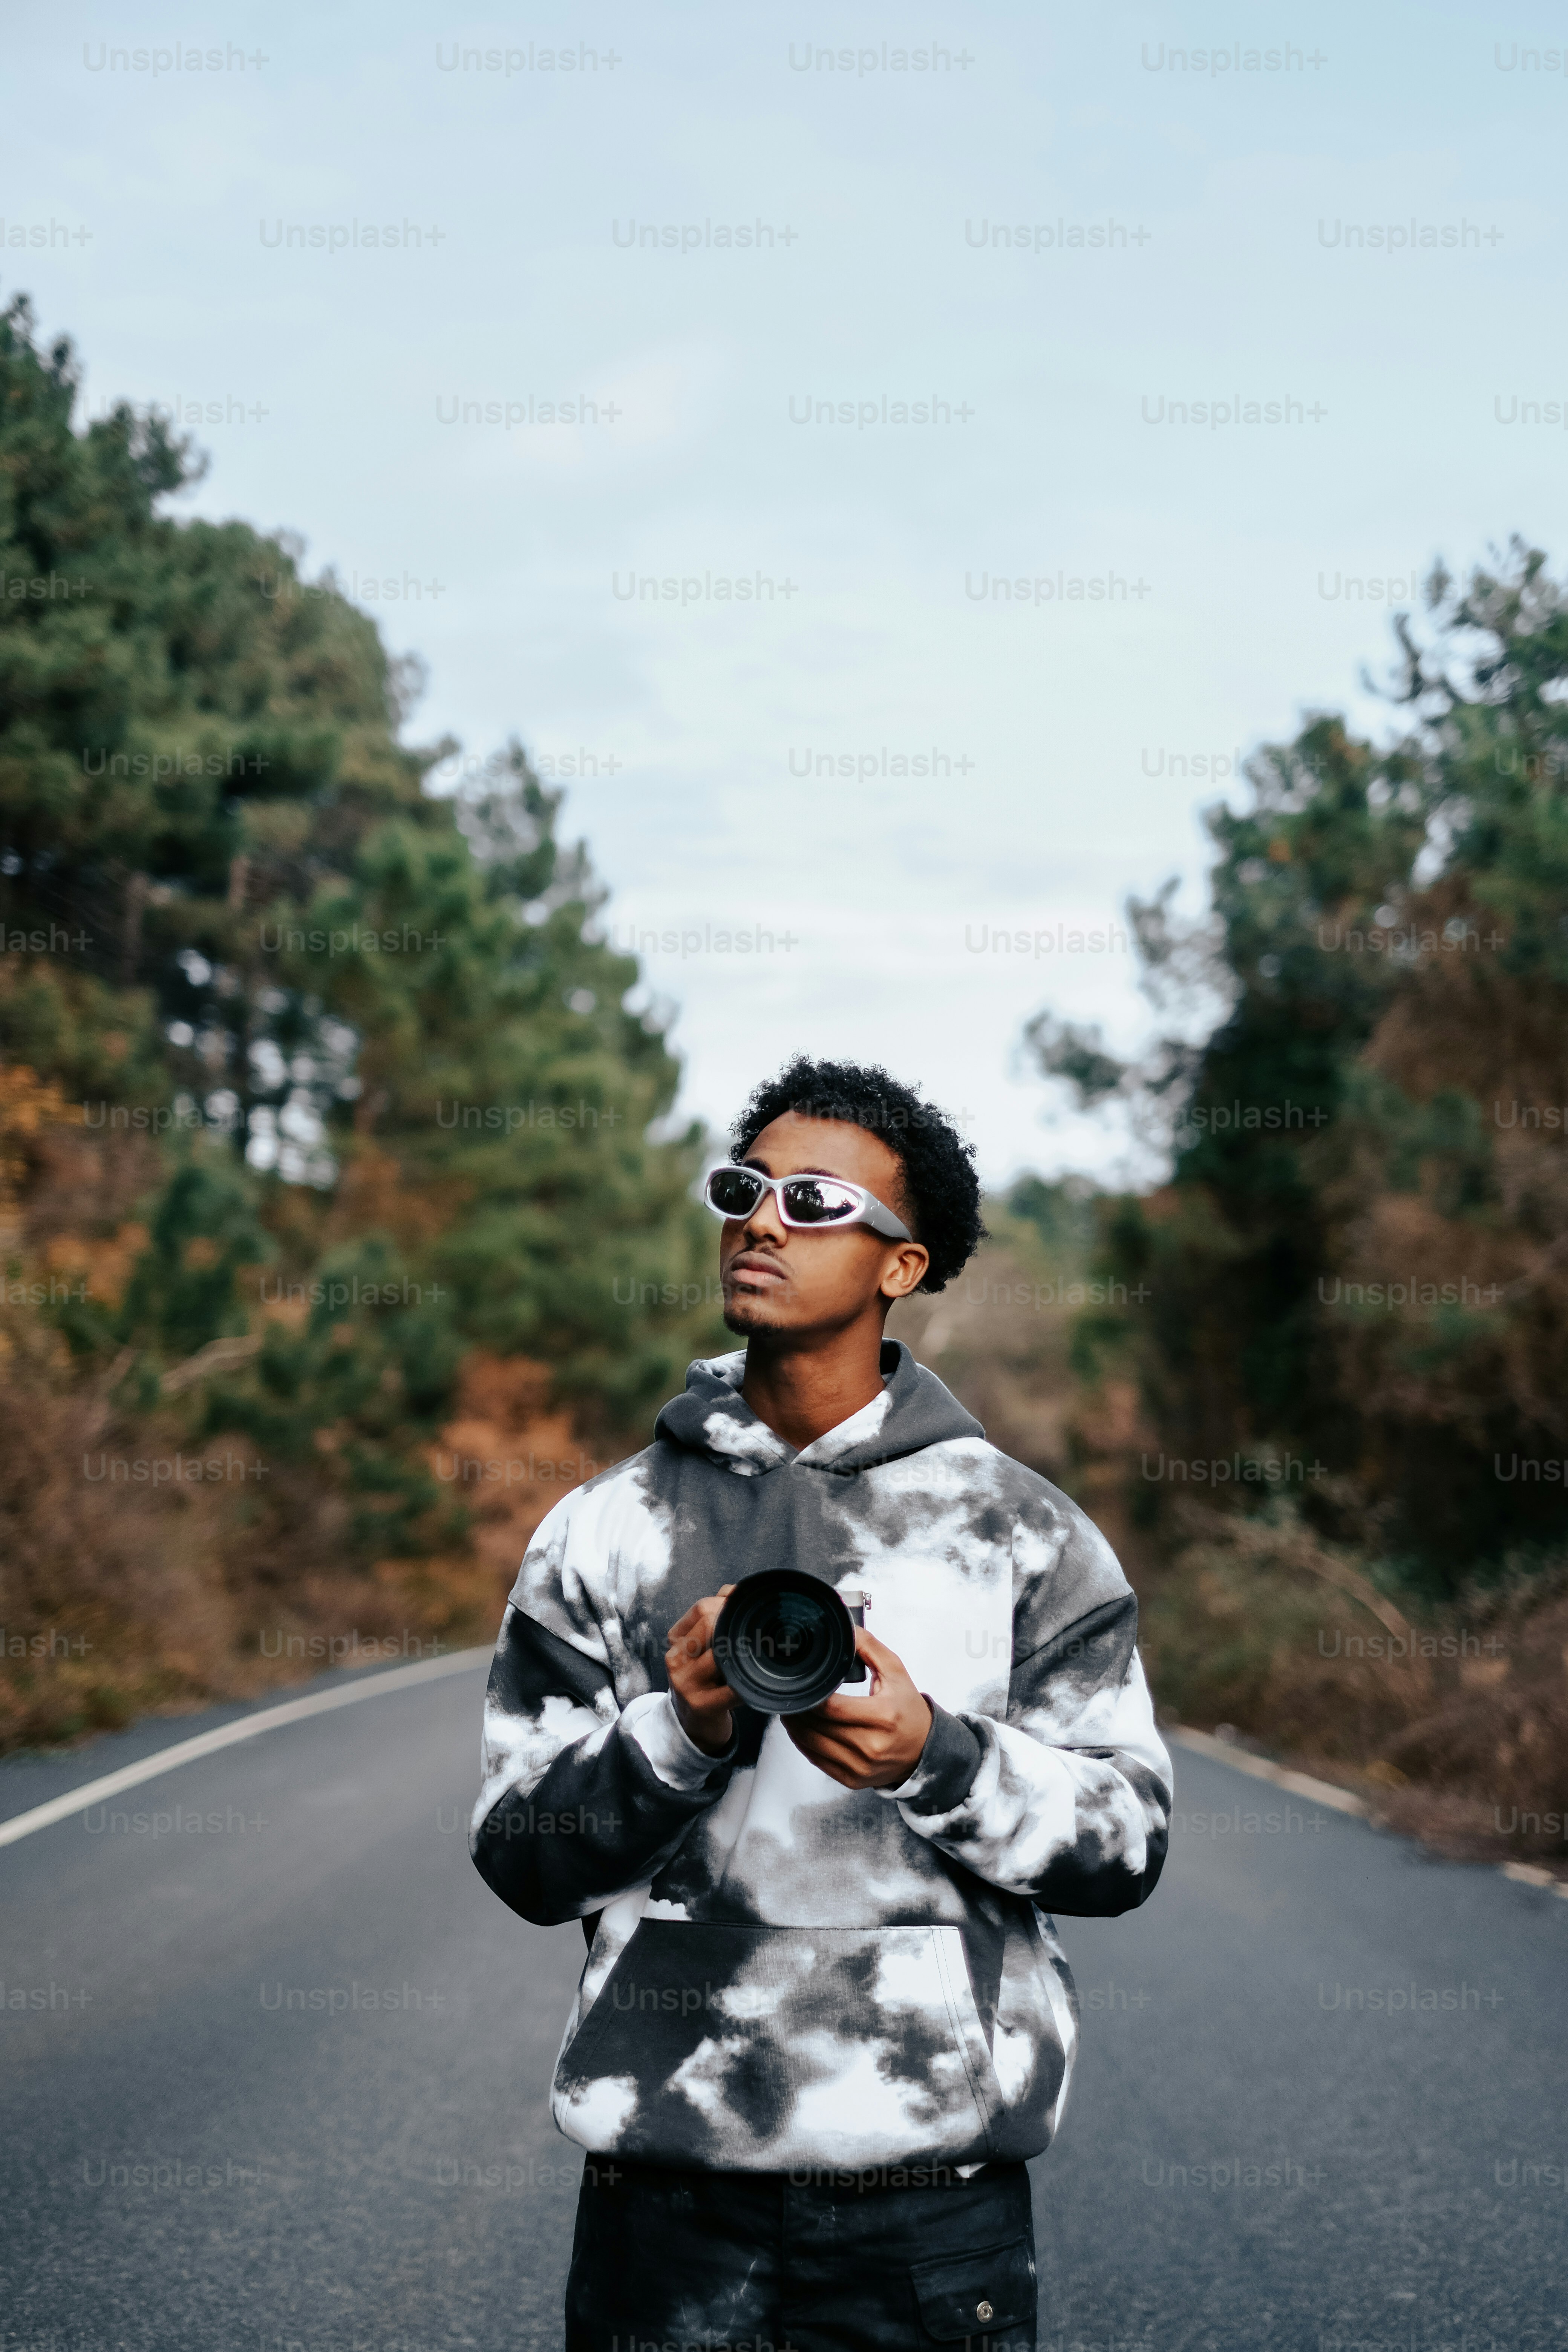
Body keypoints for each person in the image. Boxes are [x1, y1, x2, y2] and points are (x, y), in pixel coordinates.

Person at [470, 1055, 1171, 2352]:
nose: (760, 1221)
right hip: (664, 2184)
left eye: (813, 1202)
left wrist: (939, 1755)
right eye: (744, 1189)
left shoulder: (1021, 1533)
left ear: (903, 1265)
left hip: (928, 2197)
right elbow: (520, 1856)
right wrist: (675, 1733)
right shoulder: (605, 1529)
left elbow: (1128, 1842)